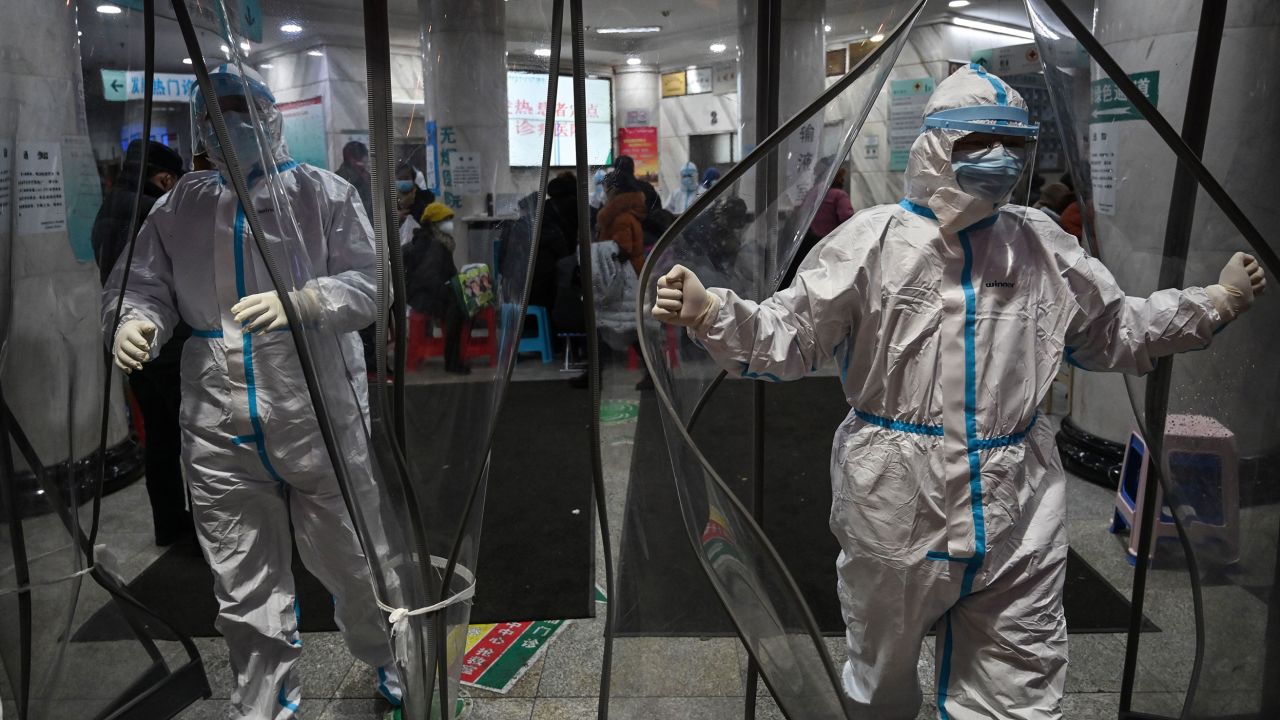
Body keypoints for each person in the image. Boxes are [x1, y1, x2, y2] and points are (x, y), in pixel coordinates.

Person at [651, 63, 1266, 719]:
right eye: (977, 143)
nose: (999, 160)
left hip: (1019, 506)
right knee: (879, 683)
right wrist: (711, 311)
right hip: (893, 501)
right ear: (937, 146)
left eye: (1013, 145)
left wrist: (1217, 301)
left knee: (1019, 690)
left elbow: (1115, 329)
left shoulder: (1041, 246)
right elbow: (791, 335)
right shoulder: (873, 242)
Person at [102, 63, 402, 718]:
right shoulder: (180, 205)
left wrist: (306, 301)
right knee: (241, 583)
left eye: (241, 108)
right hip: (218, 421)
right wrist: (134, 321)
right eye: (215, 111)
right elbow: (141, 284)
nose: (227, 122)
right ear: (201, 126)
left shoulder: (322, 195)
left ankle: (390, 661)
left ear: (270, 117)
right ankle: (265, 701)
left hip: (317, 410)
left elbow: (371, 283)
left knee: (357, 560)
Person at [91, 139, 194, 547]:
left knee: (159, 436)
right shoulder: (156, 212)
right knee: (192, 437)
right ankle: (201, 530)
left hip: (128, 340)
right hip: (164, 343)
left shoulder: (108, 206)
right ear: (164, 177)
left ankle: (168, 524)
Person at [405, 202, 469, 375]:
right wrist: (451, 293)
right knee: (458, 310)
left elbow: (445, 273)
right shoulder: (433, 244)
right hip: (422, 296)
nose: (450, 224)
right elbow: (428, 278)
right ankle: (453, 362)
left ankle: (455, 358)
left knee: (460, 303)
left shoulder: (438, 241)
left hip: (425, 292)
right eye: (445, 220)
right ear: (433, 223)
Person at [596, 169, 647, 273]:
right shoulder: (627, 211)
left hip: (624, 276)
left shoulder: (620, 217)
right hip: (634, 270)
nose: (604, 193)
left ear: (613, 189)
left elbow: (622, 250)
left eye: (605, 188)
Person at [335, 139, 372, 215]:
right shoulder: (341, 180)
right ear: (352, 160)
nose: (366, 166)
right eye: (364, 163)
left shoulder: (364, 176)